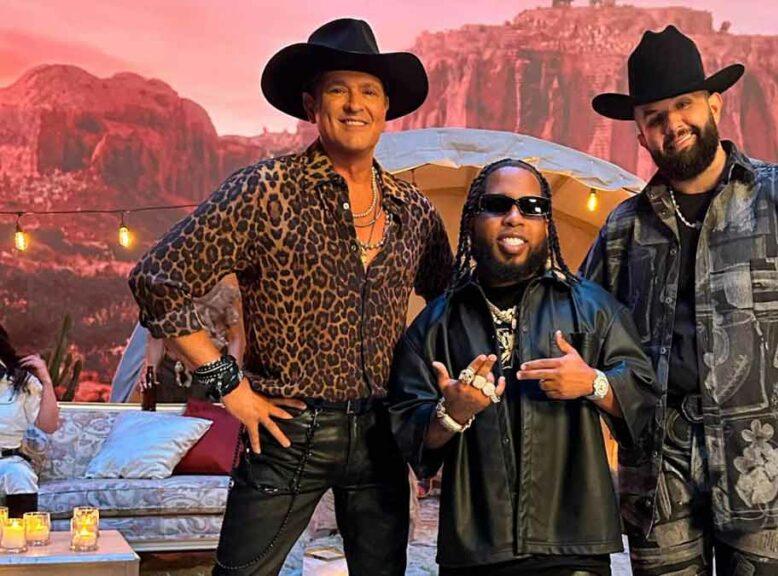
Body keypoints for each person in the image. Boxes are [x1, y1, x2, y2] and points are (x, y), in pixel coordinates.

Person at [128, 18, 453, 576]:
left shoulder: (412, 209)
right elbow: (157, 280)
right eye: (338, 89)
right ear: (311, 105)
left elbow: (447, 304)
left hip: (380, 435)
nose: (355, 104)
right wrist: (231, 388)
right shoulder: (265, 190)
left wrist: (425, 412)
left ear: (385, 108)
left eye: (369, 91)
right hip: (287, 429)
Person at [582, 26, 778, 575]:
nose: (672, 124)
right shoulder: (624, 229)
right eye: (654, 116)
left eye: (684, 105)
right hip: (658, 471)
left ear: (714, 104)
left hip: (769, 461)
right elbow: (596, 338)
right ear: (640, 133)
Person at [389, 159, 659, 576]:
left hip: (573, 545)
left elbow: (646, 402)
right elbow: (407, 436)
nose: (514, 217)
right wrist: (450, 415)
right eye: (497, 205)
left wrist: (594, 383)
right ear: (473, 219)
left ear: (546, 223)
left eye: (531, 206)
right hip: (475, 548)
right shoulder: (436, 323)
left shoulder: (593, 308)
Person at [111, 275, 245, 404]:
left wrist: (231, 381)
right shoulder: (167, 285)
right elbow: (157, 335)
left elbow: (236, 338)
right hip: (170, 372)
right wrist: (150, 370)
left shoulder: (226, 288)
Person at [0, 323, 60, 517]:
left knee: (20, 475)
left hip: (7, 461)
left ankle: (20, 533)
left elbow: (48, 426)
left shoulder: (22, 383)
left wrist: (46, 381)